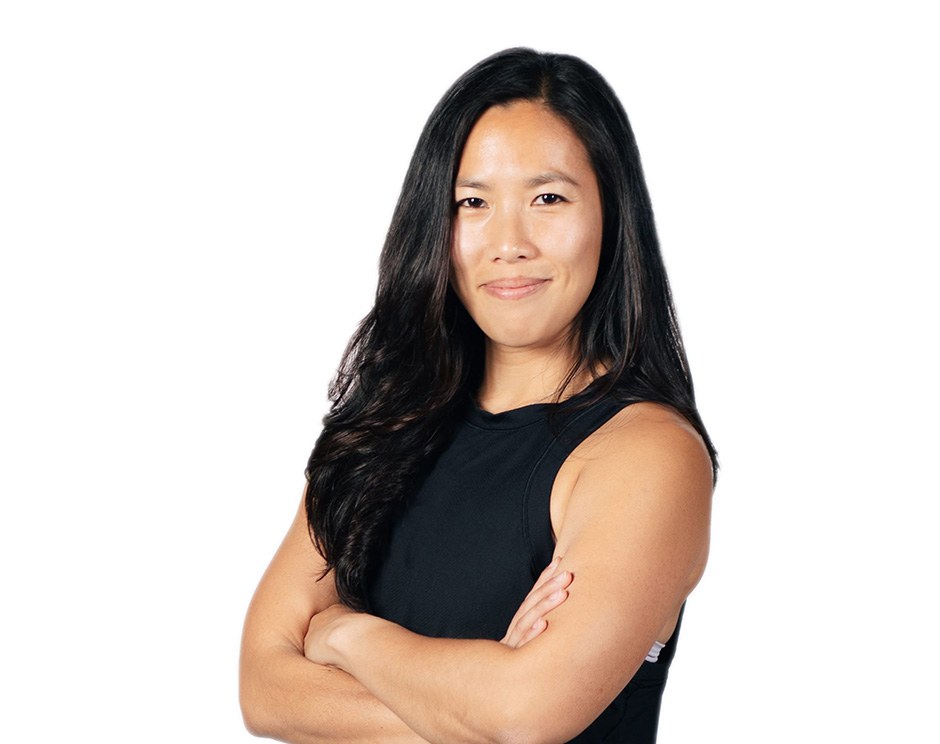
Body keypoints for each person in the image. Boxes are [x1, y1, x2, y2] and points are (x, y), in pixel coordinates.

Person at [240, 47, 717, 743]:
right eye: (473, 202)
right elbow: (264, 689)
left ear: (611, 215)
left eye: (548, 198)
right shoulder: (378, 430)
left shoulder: (647, 455)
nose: (509, 242)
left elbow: (523, 715)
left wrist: (345, 636)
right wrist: (476, 695)